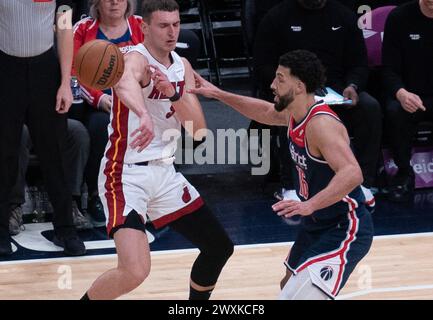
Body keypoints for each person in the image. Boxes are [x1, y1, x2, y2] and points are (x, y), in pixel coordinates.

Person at [190, 50, 374, 300]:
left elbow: (353, 173)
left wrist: (310, 204)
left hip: (344, 227)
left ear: (299, 86)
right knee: (287, 284)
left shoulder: (321, 125)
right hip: (317, 224)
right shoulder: (295, 114)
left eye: (280, 79)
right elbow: (264, 112)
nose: (272, 85)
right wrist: (218, 94)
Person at [81, 0, 233, 300]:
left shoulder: (182, 66)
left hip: (165, 173)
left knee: (219, 247)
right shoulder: (132, 57)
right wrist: (143, 113)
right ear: (145, 27)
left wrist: (172, 93)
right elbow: (124, 82)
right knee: (135, 271)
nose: (171, 32)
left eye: (176, 25)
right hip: (124, 174)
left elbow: (198, 131)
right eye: (163, 25)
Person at [253, 0, 381, 211]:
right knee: (288, 110)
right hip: (296, 90)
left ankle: (364, 183)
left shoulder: (344, 15)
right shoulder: (276, 17)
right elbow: (263, 65)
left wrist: (353, 86)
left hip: (337, 91)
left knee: (370, 107)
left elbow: (359, 62)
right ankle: (290, 186)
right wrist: (292, 87)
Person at [0, 0, 86, 256]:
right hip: (6, 70)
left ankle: (65, 229)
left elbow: (64, 27)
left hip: (45, 71)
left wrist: (64, 82)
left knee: (54, 154)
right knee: (4, 154)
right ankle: (0, 230)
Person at [73, 0, 145, 227]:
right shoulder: (83, 29)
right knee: (100, 126)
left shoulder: (142, 26)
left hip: (138, 102)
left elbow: (154, 64)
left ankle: (146, 193)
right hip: (100, 104)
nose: (114, 2)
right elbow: (74, 73)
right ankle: (97, 193)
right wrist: (99, 98)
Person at [382, 0, 433, 202]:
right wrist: (400, 92)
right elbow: (389, 69)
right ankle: (404, 172)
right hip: (410, 94)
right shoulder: (399, 17)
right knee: (395, 110)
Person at [8, 120, 92, 235]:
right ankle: (12, 207)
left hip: (45, 117)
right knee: (18, 130)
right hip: (13, 119)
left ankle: (69, 205)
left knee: (76, 131)